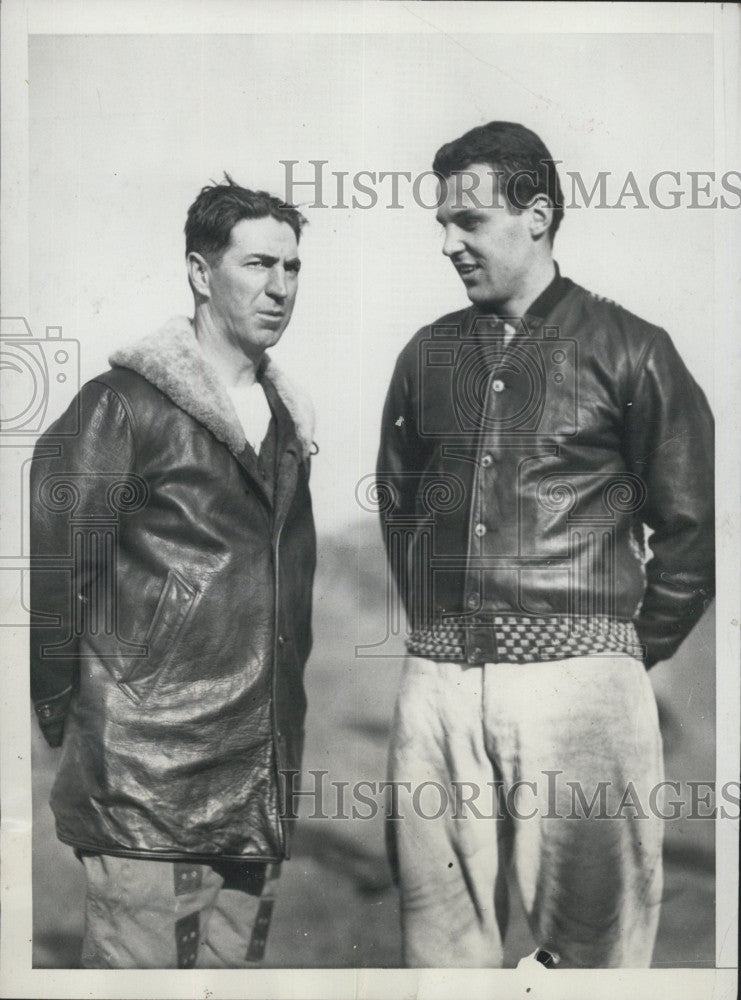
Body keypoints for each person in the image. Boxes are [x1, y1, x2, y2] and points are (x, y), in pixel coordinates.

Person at [376, 121, 714, 968]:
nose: (449, 244)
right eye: (442, 225)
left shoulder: (632, 349)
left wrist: (614, 657)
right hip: (437, 687)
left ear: (535, 214)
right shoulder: (426, 354)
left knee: (594, 953)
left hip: (582, 694)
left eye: (470, 222)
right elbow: (397, 502)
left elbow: (688, 533)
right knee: (441, 949)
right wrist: (441, 637)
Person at [30, 176, 316, 968]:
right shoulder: (121, 406)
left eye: (292, 269)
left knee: (232, 981)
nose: (279, 288)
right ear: (199, 271)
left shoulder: (289, 424)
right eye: (259, 264)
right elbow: (54, 570)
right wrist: (65, 715)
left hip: (257, 778)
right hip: (142, 780)